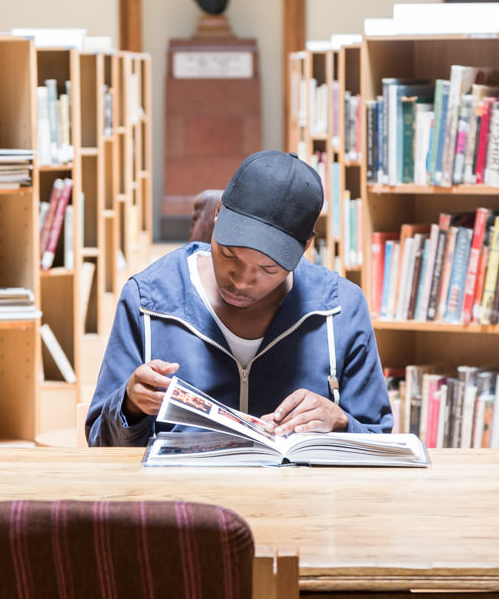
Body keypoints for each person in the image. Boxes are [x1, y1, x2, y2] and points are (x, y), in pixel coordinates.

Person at [86, 150, 393, 447]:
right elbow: (100, 443)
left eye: (267, 268)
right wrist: (129, 406)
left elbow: (380, 443)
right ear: (218, 212)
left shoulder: (341, 309)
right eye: (229, 254)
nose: (242, 281)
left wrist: (340, 421)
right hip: (181, 497)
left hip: (298, 498)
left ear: (306, 246)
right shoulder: (148, 299)